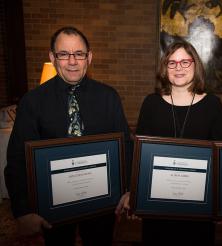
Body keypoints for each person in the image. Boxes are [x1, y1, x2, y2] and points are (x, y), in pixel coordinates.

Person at [5, 26, 132, 246]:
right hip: (52, 208)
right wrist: (22, 211)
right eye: (64, 54)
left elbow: (125, 148)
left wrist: (129, 189)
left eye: (79, 54)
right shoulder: (32, 102)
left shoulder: (109, 97)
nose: (72, 61)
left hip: (101, 204)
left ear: (89, 57)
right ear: (53, 57)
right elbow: (17, 159)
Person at [115, 40, 222, 245]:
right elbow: (140, 155)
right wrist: (134, 191)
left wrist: (220, 201)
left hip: (199, 207)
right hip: (157, 206)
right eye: (172, 63)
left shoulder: (213, 105)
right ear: (164, 68)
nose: (178, 68)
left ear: (196, 65)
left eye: (185, 62)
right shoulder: (151, 103)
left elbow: (221, 158)